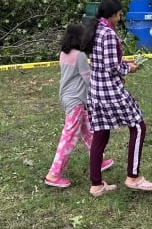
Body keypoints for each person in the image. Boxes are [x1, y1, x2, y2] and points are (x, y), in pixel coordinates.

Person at [86, 0, 152, 197]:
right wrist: (129, 68)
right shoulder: (107, 33)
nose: (121, 16)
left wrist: (122, 60)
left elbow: (102, 59)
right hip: (110, 91)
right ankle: (133, 177)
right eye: (119, 13)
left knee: (100, 134)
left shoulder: (96, 29)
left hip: (96, 92)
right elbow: (112, 67)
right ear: (114, 15)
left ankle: (96, 185)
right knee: (138, 126)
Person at [44, 24, 114, 188]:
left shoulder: (64, 53)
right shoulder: (80, 55)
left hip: (69, 98)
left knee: (89, 131)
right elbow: (88, 79)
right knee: (69, 137)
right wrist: (102, 92)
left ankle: (98, 159)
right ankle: (54, 174)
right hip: (76, 100)